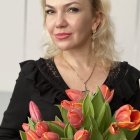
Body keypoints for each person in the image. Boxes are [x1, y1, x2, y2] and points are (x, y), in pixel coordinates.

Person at [0, 0, 140, 139]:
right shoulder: (32, 75)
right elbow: (6, 135)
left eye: (72, 9)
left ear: (96, 19)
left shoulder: (127, 79)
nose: (59, 22)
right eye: (51, 11)